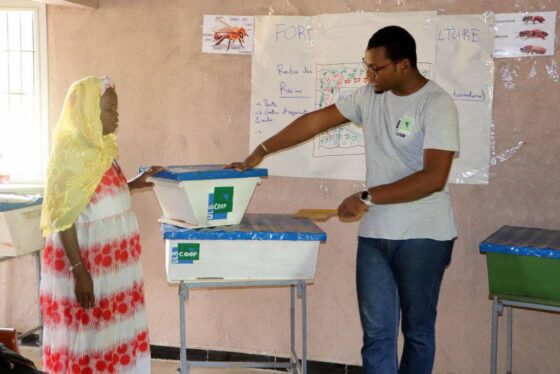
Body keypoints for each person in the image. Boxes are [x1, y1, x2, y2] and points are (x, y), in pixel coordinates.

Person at [227, 26, 459, 374]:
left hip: (424, 236)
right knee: (377, 335)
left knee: (417, 332)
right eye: (366, 66)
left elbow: (433, 177)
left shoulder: (437, 104)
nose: (369, 75)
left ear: (404, 65)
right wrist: (260, 151)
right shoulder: (370, 96)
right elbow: (315, 122)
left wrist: (367, 196)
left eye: (376, 68)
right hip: (376, 236)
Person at [39, 76, 162, 373]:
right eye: (108, 109)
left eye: (115, 109)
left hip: (115, 266)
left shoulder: (103, 151)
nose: (116, 115)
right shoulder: (68, 156)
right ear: (87, 114)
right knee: (89, 336)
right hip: (87, 264)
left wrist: (134, 183)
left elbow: (99, 196)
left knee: (111, 332)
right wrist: (79, 272)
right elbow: (62, 218)